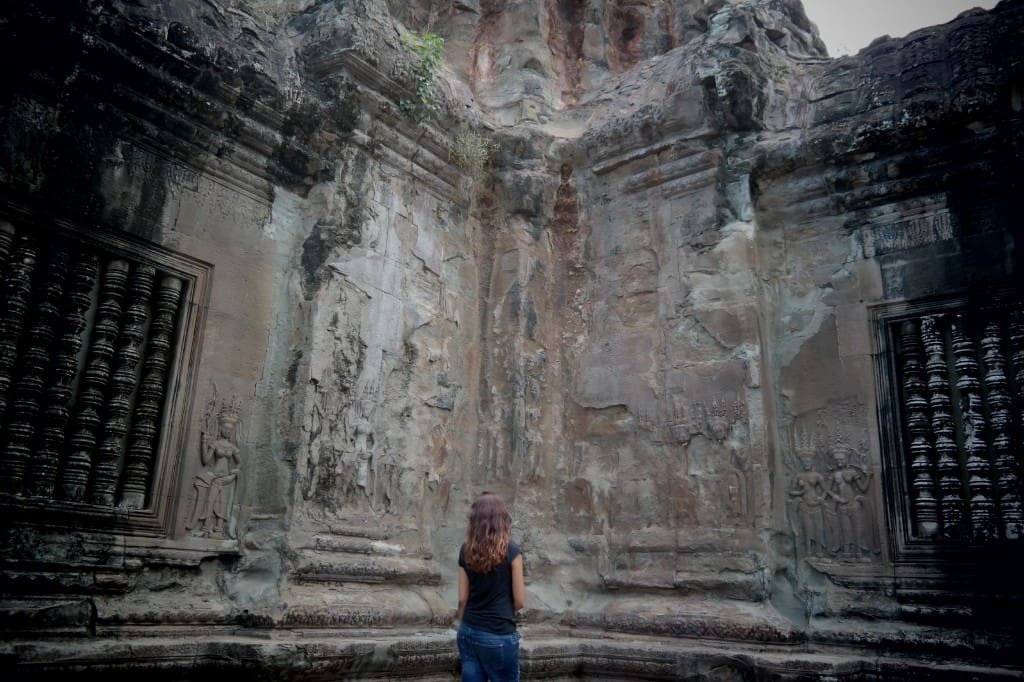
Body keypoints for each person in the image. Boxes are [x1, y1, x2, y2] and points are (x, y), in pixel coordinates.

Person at [456, 492, 526, 682]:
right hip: (499, 634)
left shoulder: (466, 550)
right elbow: (519, 602)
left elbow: (462, 599)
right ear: (502, 520)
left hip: (468, 631)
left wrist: (467, 624)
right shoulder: (512, 552)